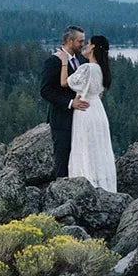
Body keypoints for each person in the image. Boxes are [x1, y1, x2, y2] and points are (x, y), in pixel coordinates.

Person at [63, 35, 116, 191]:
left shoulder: (88, 68)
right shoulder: (101, 69)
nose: (85, 46)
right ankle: (103, 186)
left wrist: (64, 61)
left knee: (84, 147)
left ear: (93, 47)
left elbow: (65, 82)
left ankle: (86, 185)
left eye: (88, 43)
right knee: (98, 148)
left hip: (85, 112)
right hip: (97, 110)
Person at [39, 25, 90, 177]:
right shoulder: (53, 62)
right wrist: (70, 103)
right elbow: (45, 91)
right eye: (80, 41)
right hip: (61, 121)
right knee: (63, 160)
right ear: (69, 40)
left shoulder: (81, 60)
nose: (83, 44)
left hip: (80, 119)